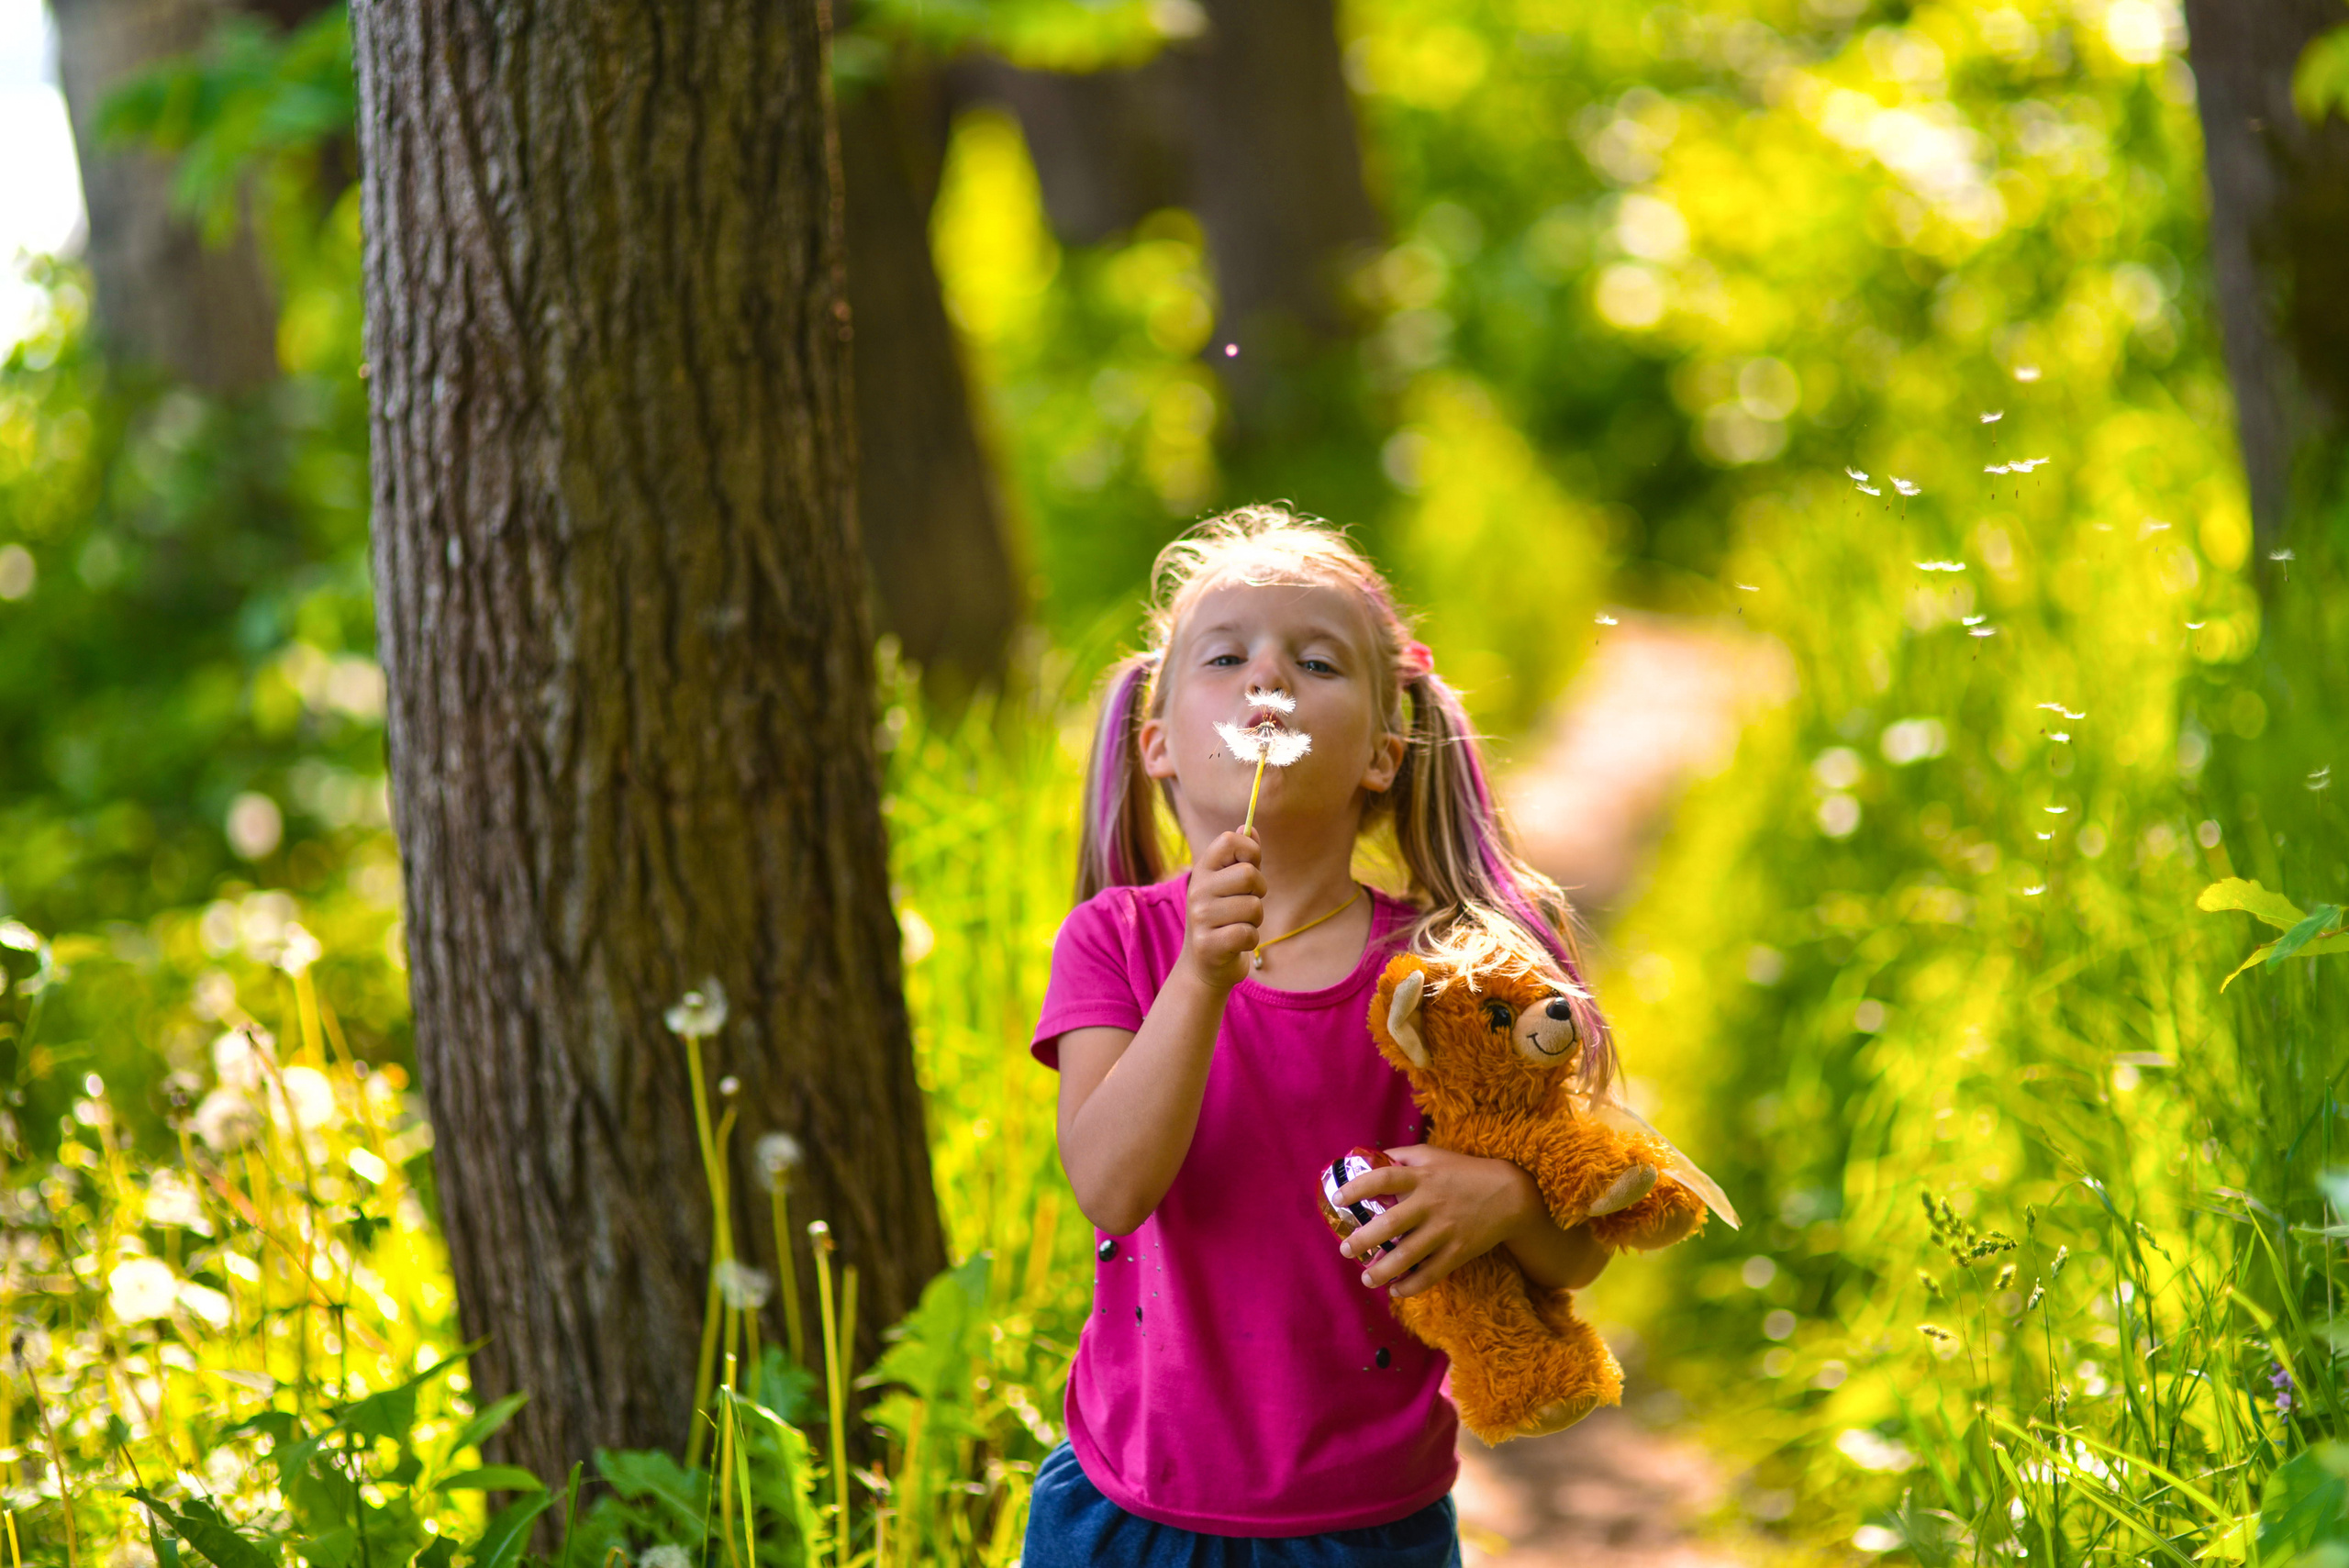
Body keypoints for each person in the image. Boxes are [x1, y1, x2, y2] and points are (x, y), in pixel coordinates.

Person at [1024, 505, 1624, 1567]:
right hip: (1130, 1510)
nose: (1268, 680)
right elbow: (1111, 1187)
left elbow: (1576, 1251)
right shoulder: (1115, 941)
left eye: (1313, 661)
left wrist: (1508, 1199)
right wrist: (1202, 975)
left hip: (1367, 1528)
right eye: (1226, 655)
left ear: (1383, 753)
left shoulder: (1444, 978)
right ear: (1158, 742)